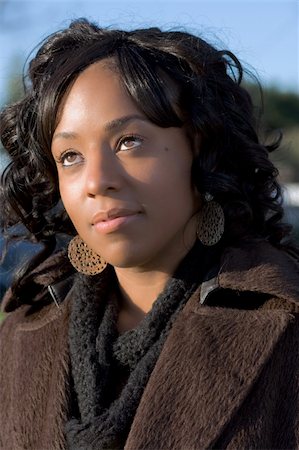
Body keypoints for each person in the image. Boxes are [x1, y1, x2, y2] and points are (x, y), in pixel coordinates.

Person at [0, 18, 299, 450]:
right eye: (70, 156)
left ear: (200, 148)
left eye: (129, 141)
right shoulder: (23, 332)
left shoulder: (284, 327)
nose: (96, 180)